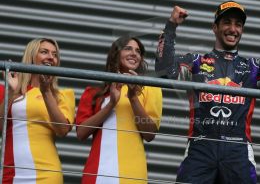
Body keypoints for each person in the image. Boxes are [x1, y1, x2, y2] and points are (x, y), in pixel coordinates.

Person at [155, 1, 260, 184]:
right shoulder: (196, 62)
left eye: (238, 24)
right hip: (201, 145)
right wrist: (171, 26)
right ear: (215, 27)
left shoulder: (254, 68)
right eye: (227, 22)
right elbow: (164, 70)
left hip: (238, 149)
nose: (232, 29)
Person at [76, 36, 163, 184]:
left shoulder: (150, 88)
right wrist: (111, 104)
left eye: (138, 51)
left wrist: (133, 98)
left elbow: (149, 134)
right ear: (116, 53)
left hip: (132, 175)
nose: (134, 53)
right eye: (128, 48)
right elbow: (81, 133)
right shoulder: (94, 92)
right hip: (97, 173)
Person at [0, 38, 75, 183]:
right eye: (44, 52)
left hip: (46, 174)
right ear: (31, 56)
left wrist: (46, 91)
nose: (50, 57)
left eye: (54, 54)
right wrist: (11, 92)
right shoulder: (9, 91)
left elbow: (62, 130)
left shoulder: (62, 95)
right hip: (11, 172)